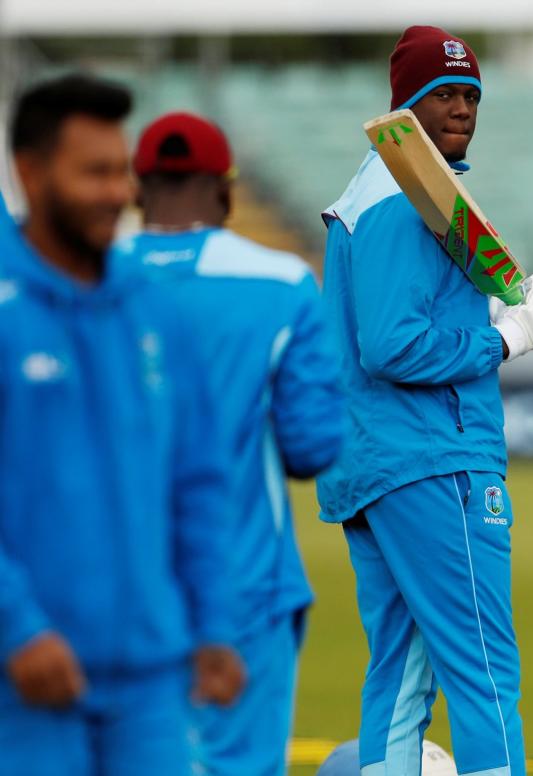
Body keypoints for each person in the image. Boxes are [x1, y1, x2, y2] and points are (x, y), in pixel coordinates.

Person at [317, 26, 533, 776]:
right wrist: (507, 339)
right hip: (433, 459)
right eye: (441, 95)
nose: (460, 108)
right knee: (484, 669)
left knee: (399, 674)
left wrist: (488, 316)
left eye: (469, 94)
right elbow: (390, 345)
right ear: (405, 104)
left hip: (376, 461)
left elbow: (399, 320)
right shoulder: (401, 196)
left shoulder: (377, 191)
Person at [0, 75, 245, 774]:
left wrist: (214, 626)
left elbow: (196, 483)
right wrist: (17, 629)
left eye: (121, 173)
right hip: (24, 682)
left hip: (149, 687)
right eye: (93, 173)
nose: (116, 193)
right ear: (29, 171)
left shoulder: (153, 311)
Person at [109, 110, 344, 775]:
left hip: (111, 587)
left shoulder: (86, 279)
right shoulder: (282, 282)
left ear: (135, 188)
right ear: (226, 191)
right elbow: (310, 448)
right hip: (244, 584)